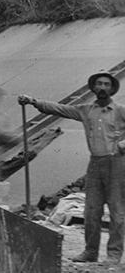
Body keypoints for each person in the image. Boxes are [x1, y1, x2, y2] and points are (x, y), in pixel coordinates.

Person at [19, 71, 124, 262]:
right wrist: (34, 101)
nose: (102, 88)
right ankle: (90, 252)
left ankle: (114, 254)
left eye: (106, 85)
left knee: (117, 210)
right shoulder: (85, 110)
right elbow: (59, 109)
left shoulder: (120, 111)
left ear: (112, 88)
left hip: (116, 164)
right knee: (92, 210)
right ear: (93, 87)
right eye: (99, 84)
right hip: (95, 164)